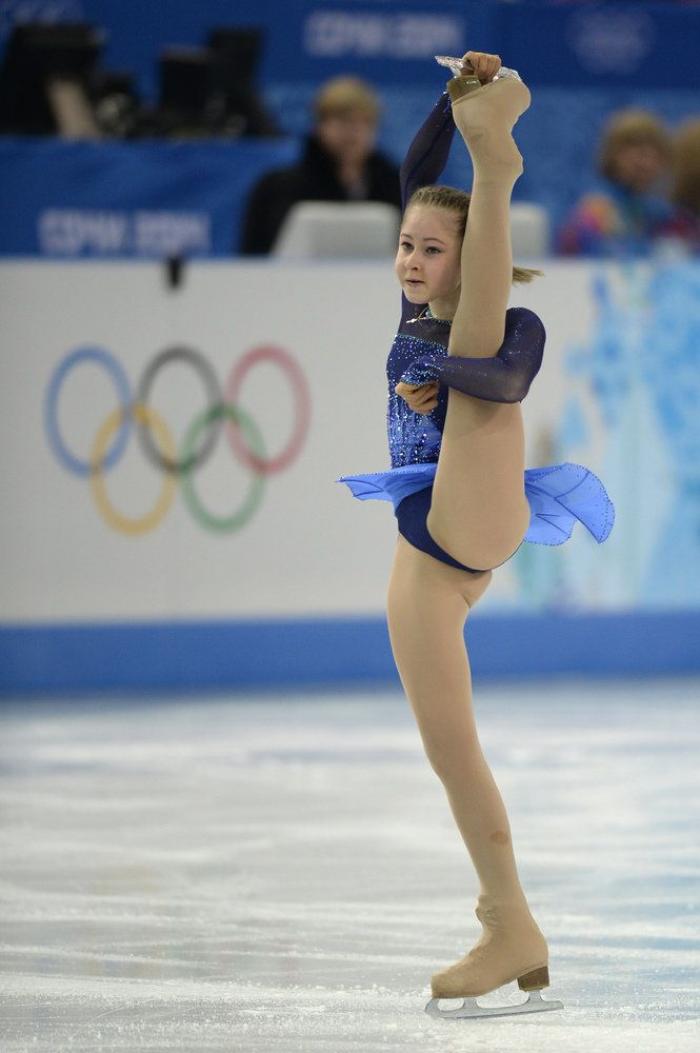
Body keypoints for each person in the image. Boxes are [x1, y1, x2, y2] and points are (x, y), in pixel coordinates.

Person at [337, 51, 614, 1018]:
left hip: (474, 514)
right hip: (439, 549)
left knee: (474, 344)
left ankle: (498, 166)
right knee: (456, 756)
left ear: (468, 258)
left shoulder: (511, 326)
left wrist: (446, 380)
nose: (412, 260)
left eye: (431, 249)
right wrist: (451, 103)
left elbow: (499, 378)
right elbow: (417, 176)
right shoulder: (420, 316)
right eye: (406, 246)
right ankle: (512, 923)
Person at [239, 76, 401, 254]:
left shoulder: (395, 185)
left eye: (364, 122)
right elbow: (254, 257)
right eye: (343, 121)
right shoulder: (279, 188)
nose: (354, 131)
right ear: (319, 126)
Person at [557, 108, 673, 257]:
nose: (645, 160)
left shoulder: (661, 212)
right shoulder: (594, 210)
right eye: (634, 148)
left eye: (653, 150)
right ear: (611, 156)